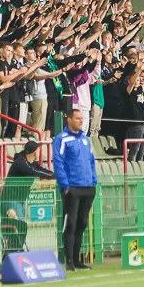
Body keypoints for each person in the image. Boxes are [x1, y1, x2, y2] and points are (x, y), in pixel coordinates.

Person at [52, 109, 96, 271]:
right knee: (70, 223)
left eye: (81, 118)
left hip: (88, 187)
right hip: (72, 187)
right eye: (77, 118)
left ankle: (77, 260)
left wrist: (93, 181)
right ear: (69, 120)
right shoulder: (62, 139)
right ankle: (69, 260)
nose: (81, 121)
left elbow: (91, 161)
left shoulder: (85, 140)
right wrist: (65, 185)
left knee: (82, 223)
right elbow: (58, 162)